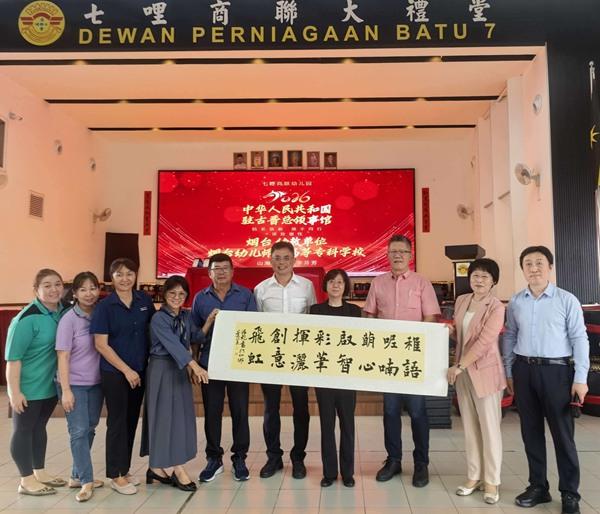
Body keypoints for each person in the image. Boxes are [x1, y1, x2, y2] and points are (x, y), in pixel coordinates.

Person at [502, 246, 589, 514]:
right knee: (531, 433)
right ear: (522, 269)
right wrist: (509, 371)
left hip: (557, 373)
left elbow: (579, 338)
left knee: (563, 435)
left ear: (550, 267)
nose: (534, 268)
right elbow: (510, 336)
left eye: (539, 262)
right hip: (524, 371)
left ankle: (570, 493)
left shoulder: (566, 300)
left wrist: (581, 378)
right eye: (528, 263)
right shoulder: (516, 301)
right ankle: (538, 486)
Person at [363, 234, 440, 487]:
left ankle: (421, 463)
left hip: (412, 358)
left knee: (417, 411)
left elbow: (431, 317)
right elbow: (369, 315)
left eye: (402, 252)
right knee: (390, 411)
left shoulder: (421, 283)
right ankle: (393, 460)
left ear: (410, 255)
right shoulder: (378, 283)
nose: (397, 255)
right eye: (393, 251)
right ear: (387, 255)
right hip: (387, 359)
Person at [90, 258, 155, 495]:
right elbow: (101, 344)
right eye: (119, 274)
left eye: (129, 274)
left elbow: (152, 331)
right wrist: (126, 370)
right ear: (112, 278)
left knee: (130, 420)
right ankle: (115, 475)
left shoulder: (144, 300)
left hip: (139, 371)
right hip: (115, 373)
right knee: (117, 422)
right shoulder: (105, 306)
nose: (125, 279)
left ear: (136, 276)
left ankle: (124, 470)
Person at [191, 253, 257, 482]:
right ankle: (214, 458)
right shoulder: (200, 298)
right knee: (212, 412)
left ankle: (240, 458)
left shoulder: (245, 295)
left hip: (237, 363)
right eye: (216, 269)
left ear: (232, 271)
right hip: (210, 364)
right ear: (209, 273)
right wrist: (194, 363)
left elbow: (254, 329)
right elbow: (195, 335)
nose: (221, 272)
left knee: (240, 412)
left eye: (225, 268)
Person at [254, 241, 317, 479]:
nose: (281, 262)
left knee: (301, 408)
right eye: (277, 258)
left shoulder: (307, 286)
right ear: (270, 260)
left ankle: (298, 458)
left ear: (294, 260)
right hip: (271, 356)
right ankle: (273, 457)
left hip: (299, 355)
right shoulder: (261, 289)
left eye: (286, 258)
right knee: (271, 408)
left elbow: (313, 318)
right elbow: (256, 323)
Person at [446, 259, 506, 505]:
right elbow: (462, 335)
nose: (479, 280)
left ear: (493, 281)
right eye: (475, 275)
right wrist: (450, 332)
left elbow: (484, 342)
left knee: (489, 429)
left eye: (484, 276)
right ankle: (474, 476)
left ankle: (492, 480)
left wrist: (460, 365)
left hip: (484, 372)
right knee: (470, 428)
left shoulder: (496, 307)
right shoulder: (462, 300)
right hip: (462, 374)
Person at [141, 275, 208, 491]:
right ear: (164, 294)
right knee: (163, 418)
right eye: (172, 293)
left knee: (180, 418)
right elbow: (174, 346)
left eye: (181, 294)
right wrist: (195, 367)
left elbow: (197, 337)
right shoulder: (159, 319)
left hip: (179, 370)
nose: (177, 297)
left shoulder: (186, 316)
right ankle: (177, 469)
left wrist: (209, 320)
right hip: (162, 369)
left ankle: (156, 468)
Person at [5, 268, 67, 496]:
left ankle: (39, 472)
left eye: (58, 284)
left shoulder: (62, 311)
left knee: (39, 428)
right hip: (28, 387)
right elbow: (13, 359)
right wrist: (14, 392)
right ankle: (26, 480)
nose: (54, 290)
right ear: (36, 290)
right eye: (47, 285)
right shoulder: (26, 318)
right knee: (23, 430)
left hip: (49, 386)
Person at [309, 269, 361, 488]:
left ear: (345, 286)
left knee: (348, 425)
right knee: (327, 425)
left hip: (347, 376)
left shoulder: (355, 311)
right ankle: (329, 472)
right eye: (331, 282)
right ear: (326, 285)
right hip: (324, 377)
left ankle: (348, 473)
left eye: (340, 282)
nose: (336, 285)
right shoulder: (315, 310)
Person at [56, 271, 104, 503]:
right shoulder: (68, 320)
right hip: (73, 383)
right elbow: (63, 356)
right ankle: (86, 481)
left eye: (93, 288)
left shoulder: (101, 314)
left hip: (96, 383)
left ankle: (76, 475)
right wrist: (66, 390)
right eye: (83, 289)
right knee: (78, 431)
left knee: (90, 428)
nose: (89, 293)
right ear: (74, 293)